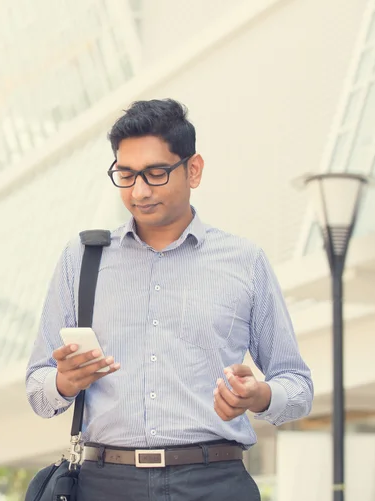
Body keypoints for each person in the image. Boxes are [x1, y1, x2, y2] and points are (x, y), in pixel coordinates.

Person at [26, 98, 313, 501]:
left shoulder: (244, 261)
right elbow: (38, 389)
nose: (139, 191)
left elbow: (297, 385)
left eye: (155, 174)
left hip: (214, 483)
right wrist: (64, 381)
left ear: (192, 170)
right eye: (125, 175)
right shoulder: (83, 258)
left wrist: (259, 395)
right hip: (104, 485)